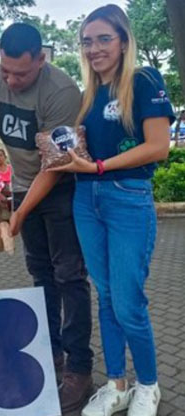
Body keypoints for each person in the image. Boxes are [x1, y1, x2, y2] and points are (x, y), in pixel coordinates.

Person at [0, 22, 94, 411]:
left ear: (41, 60)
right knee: (40, 274)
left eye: (21, 73)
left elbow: (55, 165)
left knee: (69, 276)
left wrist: (16, 216)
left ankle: (79, 368)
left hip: (59, 187)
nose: (10, 80)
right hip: (22, 186)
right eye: (5, 69)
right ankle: (50, 354)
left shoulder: (61, 90)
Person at [48, 5, 174, 416]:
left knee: (128, 301)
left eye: (104, 39)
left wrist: (99, 166)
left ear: (123, 40)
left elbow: (159, 146)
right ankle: (117, 384)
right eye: (87, 41)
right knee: (105, 296)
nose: (94, 48)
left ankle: (148, 385)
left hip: (126, 195)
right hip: (87, 198)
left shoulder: (142, 80)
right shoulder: (89, 93)